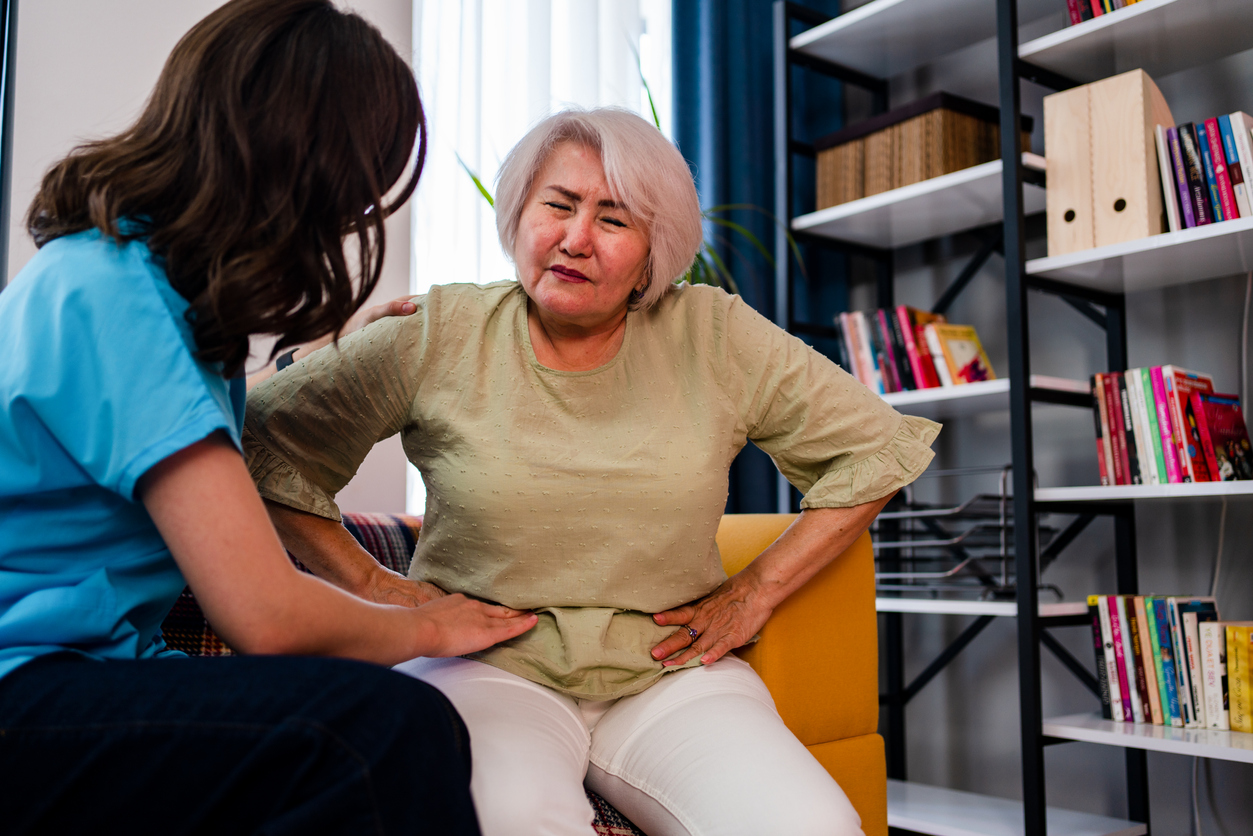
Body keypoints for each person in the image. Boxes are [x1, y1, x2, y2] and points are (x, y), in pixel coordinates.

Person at [244, 107, 941, 836]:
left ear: (653, 251)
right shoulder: (439, 331)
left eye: (613, 219)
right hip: (483, 663)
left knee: (812, 825)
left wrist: (756, 591)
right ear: (519, 214)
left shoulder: (713, 332)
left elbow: (873, 449)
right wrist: (374, 587)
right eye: (558, 205)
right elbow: (260, 442)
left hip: (669, 671)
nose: (575, 238)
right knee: (507, 819)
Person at [0, 2, 537, 834]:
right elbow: (266, 614)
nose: (354, 216)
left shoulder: (130, 283)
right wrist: (423, 624)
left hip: (78, 670)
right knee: (382, 732)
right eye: (356, 187)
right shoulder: (115, 294)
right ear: (298, 162)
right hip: (21, 688)